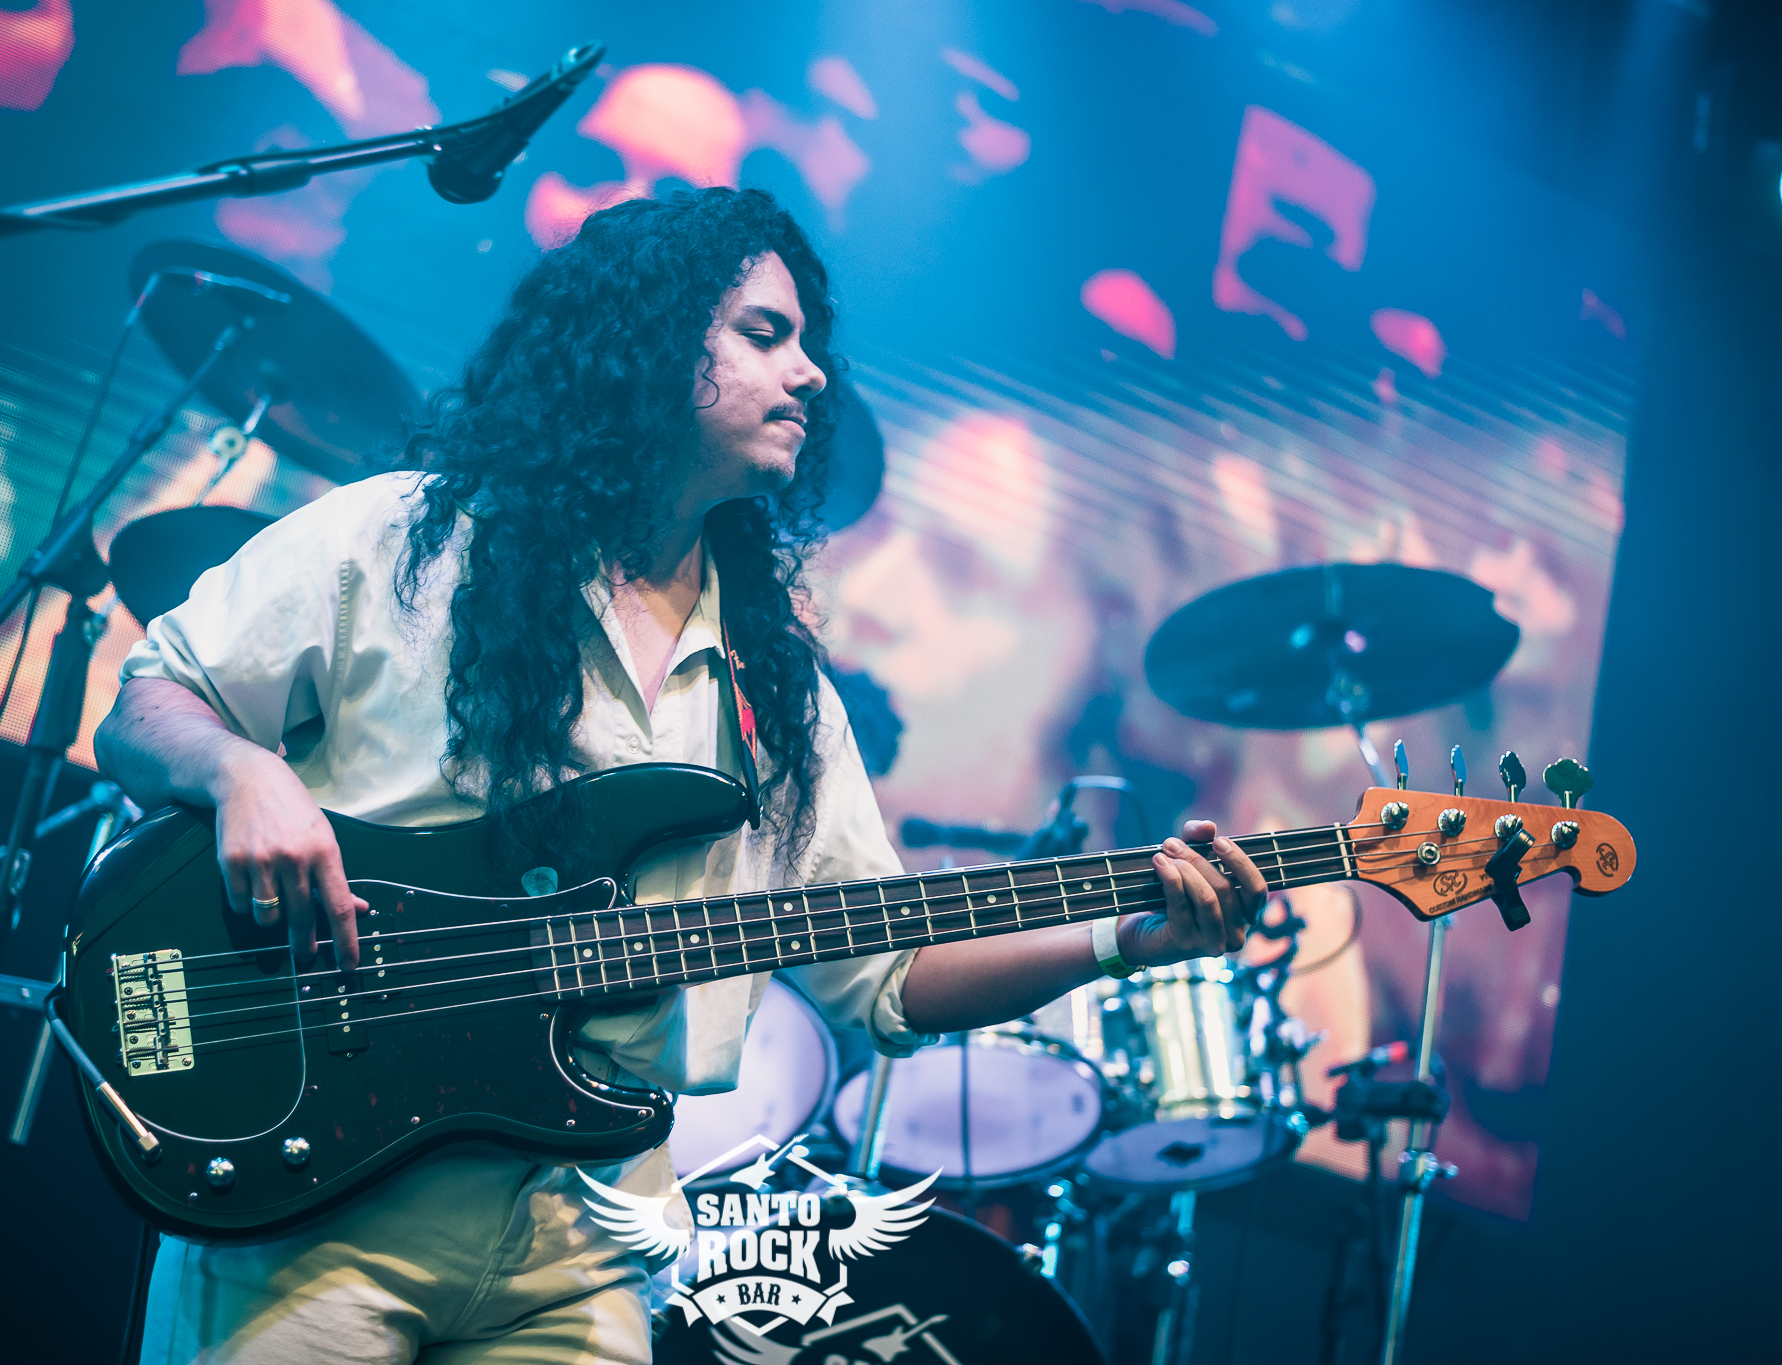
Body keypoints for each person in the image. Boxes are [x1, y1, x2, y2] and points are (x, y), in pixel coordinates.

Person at [95, 187, 1267, 1365]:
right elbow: (148, 706)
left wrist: (1125, 938)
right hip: (329, 1185)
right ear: (644, 342)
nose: (810, 373)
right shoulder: (404, 539)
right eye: (764, 334)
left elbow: (891, 978)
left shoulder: (777, 683)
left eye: (807, 342)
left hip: (588, 1238)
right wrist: (241, 773)